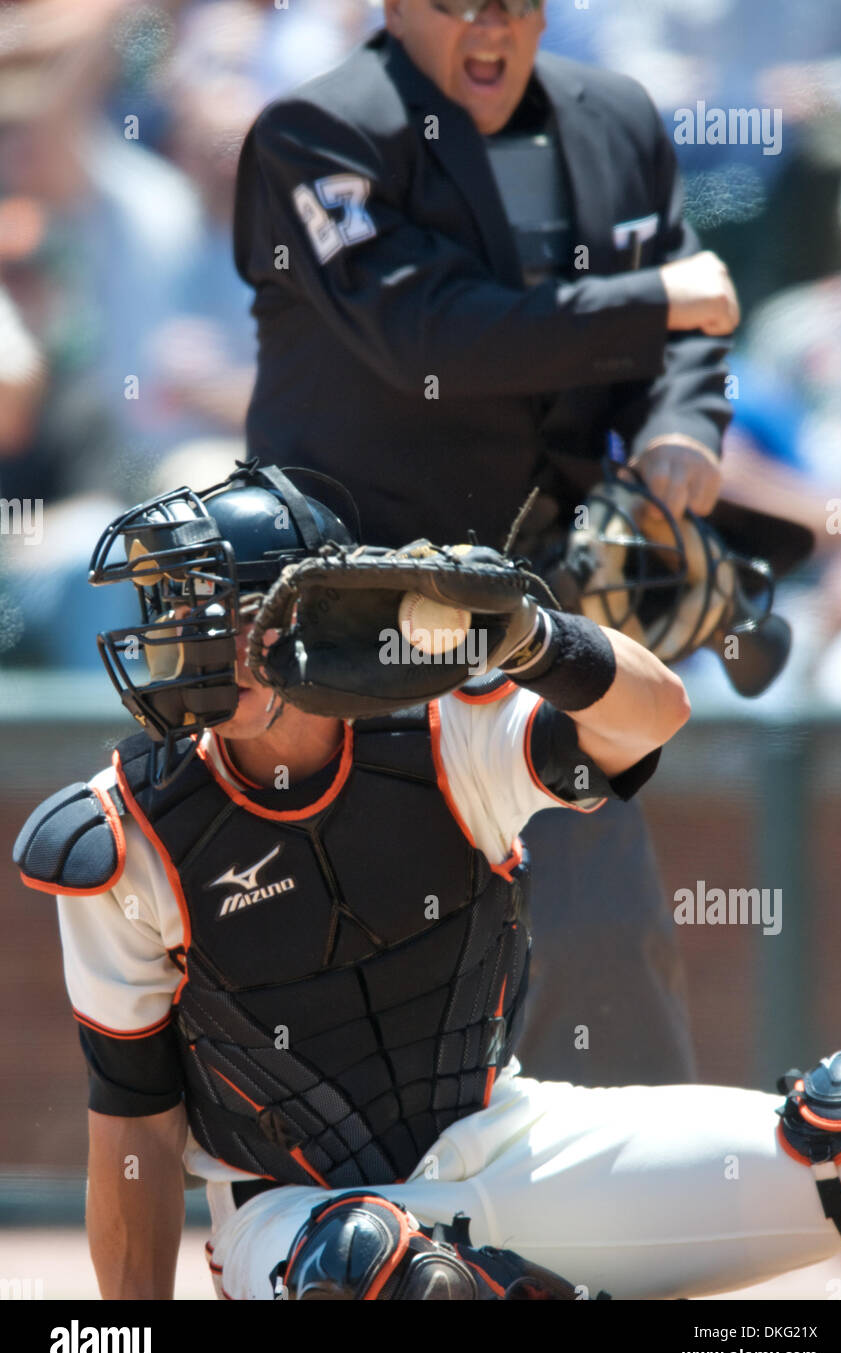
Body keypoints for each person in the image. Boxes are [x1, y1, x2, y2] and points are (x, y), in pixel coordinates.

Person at [13, 461, 841, 1300]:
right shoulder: (126, 830)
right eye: (173, 610)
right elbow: (136, 1125)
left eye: (214, 612)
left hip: (502, 1139)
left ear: (303, 621)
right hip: (296, 1217)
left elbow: (653, 718)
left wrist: (533, 638)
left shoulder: (443, 729)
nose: (178, 636)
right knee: (375, 1268)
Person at [231, 0, 742, 1086]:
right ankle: (365, 1237)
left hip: (536, 604)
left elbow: (691, 324)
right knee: (366, 959)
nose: (488, 25)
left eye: (511, 1)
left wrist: (681, 426)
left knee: (599, 928)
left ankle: (634, 1224)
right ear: (396, 6)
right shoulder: (318, 132)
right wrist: (652, 303)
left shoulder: (612, 120)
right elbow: (433, 335)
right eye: (455, 1)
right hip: (352, 606)